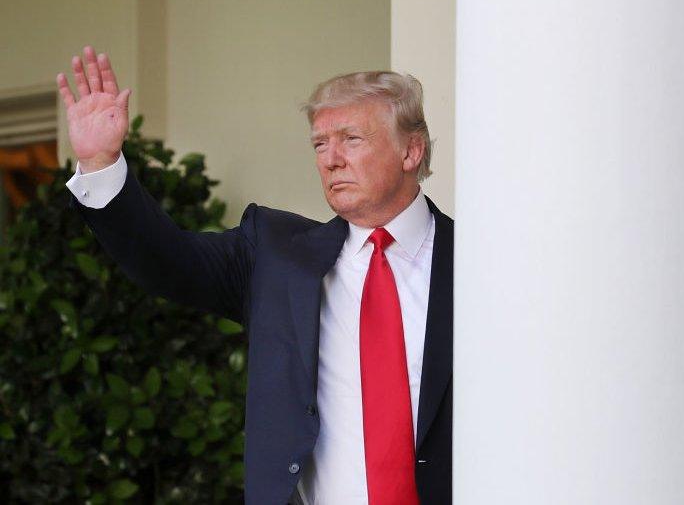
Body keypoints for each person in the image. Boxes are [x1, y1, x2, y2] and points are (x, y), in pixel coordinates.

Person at [58, 46, 453, 505]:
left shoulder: (480, 263)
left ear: (411, 150)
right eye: (320, 144)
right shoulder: (275, 255)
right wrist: (102, 166)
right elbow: (166, 261)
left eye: (351, 139)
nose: (331, 159)